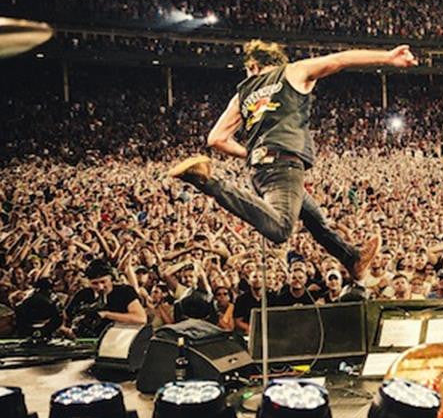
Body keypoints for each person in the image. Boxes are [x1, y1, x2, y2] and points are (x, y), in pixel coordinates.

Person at [165, 39, 415, 280]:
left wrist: (252, 153)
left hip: (262, 171)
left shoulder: (242, 95)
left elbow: (216, 138)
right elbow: (340, 59)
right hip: (283, 164)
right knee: (281, 229)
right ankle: (207, 180)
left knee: (315, 219)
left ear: (253, 65)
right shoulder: (293, 72)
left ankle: (352, 258)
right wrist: (387, 57)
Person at [64, 258, 147, 338]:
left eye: (103, 282)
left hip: (118, 339)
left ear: (111, 278)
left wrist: (106, 314)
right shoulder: (82, 294)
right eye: (94, 283)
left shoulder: (125, 291)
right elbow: (67, 317)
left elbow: (140, 318)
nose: (100, 287)